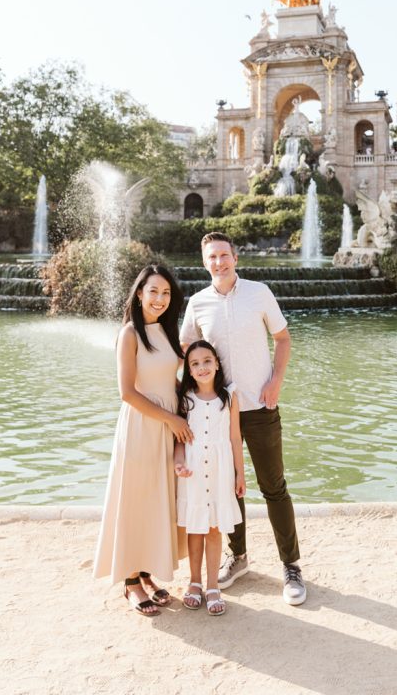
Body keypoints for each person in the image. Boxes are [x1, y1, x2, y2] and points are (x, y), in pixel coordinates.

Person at [180, 231, 306, 606]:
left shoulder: (259, 292)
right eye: (211, 257)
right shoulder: (198, 303)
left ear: (235, 257)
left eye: (223, 255)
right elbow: (188, 350)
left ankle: (291, 565)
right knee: (227, 489)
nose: (218, 262)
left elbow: (283, 338)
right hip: (218, 414)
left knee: (273, 487)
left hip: (260, 406)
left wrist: (277, 381)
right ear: (205, 263)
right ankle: (239, 558)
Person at [93, 264, 191, 616]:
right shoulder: (130, 334)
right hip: (141, 426)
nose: (160, 299)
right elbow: (127, 393)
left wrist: (197, 402)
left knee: (158, 500)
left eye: (166, 293)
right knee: (135, 499)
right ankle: (131, 582)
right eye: (153, 292)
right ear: (139, 293)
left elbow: (170, 381)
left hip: (167, 428)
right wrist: (172, 419)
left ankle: (147, 572)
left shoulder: (167, 331)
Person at [174, 340, 245, 616]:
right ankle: (194, 582)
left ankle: (213, 585)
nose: (202, 367)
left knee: (214, 528)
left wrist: (240, 473)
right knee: (195, 528)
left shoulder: (229, 397)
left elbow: (235, 438)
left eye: (207, 361)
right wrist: (179, 463)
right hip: (192, 471)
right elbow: (179, 440)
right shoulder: (185, 399)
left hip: (220, 470)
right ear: (189, 371)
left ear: (217, 363)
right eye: (195, 363)